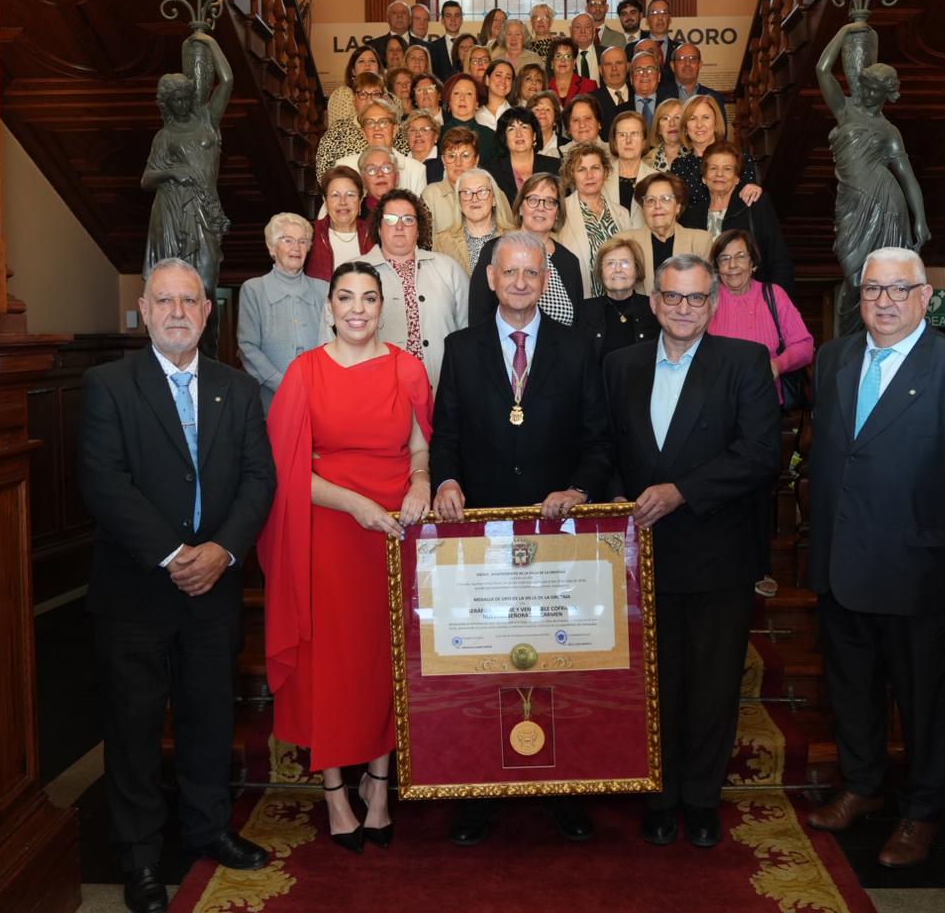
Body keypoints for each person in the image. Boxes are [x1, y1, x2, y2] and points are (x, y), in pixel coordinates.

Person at [805, 247, 945, 868]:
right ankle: (863, 786)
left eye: (900, 289)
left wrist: (935, 531)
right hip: (840, 562)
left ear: (925, 297)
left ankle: (923, 811)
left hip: (915, 568)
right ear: (859, 297)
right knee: (851, 687)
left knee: (924, 698)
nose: (885, 301)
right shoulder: (834, 358)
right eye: (873, 289)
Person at [82, 258, 277, 912]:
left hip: (214, 587)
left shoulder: (237, 388)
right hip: (135, 589)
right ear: (143, 310)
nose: (177, 312)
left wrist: (222, 551)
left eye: (189, 301)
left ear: (207, 311)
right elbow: (105, 483)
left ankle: (207, 829)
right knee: (134, 725)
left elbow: (259, 479)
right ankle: (139, 856)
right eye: (164, 301)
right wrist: (173, 555)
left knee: (209, 715)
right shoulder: (108, 385)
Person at [430, 230, 613, 847]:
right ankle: (480, 789)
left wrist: (580, 491)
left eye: (531, 273)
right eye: (509, 272)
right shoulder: (460, 349)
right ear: (490, 277)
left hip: (556, 542)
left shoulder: (576, 347)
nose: (519, 282)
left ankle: (563, 788)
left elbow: (598, 442)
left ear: (545, 280)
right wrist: (447, 479)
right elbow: (445, 435)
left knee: (556, 667)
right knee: (483, 669)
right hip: (480, 543)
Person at [602, 254, 779, 849]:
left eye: (696, 298)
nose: (684, 308)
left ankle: (701, 799)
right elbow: (604, 446)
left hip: (717, 554)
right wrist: (610, 494)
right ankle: (658, 795)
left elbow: (759, 453)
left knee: (711, 685)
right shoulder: (620, 365)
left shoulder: (745, 361)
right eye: (673, 297)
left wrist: (681, 491)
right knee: (654, 682)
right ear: (654, 302)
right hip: (641, 555)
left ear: (713, 303)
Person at [260, 261, 433, 853]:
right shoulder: (304, 373)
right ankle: (335, 791)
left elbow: (420, 448)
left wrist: (420, 481)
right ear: (329, 307)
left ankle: (378, 786)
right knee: (331, 662)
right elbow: (286, 471)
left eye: (369, 298)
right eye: (346, 298)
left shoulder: (407, 368)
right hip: (330, 530)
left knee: (384, 657)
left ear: (382, 306)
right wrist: (356, 504)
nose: (358, 308)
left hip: (394, 532)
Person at [708, 229, 814, 597]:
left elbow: (804, 345)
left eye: (740, 257)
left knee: (756, 488)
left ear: (753, 262)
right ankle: (720, 563)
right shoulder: (707, 298)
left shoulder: (773, 295)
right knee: (717, 485)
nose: (732, 265)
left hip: (761, 410)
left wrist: (777, 365)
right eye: (724, 259)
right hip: (716, 410)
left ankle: (758, 567)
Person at [816, 21, 932, 337]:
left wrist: (920, 219)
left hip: (886, 203)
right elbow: (822, 70)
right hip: (851, 204)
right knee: (853, 276)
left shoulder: (888, 131)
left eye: (874, 90)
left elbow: (907, 177)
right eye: (865, 87)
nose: (866, 94)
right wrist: (844, 31)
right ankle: (847, 342)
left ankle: (883, 336)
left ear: (886, 94)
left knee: (884, 276)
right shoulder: (844, 111)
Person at [142, 32, 234, 361]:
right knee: (168, 286)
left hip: (203, 210)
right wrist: (173, 172)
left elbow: (227, 80)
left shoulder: (207, 119)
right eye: (175, 100)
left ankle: (207, 361)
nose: (181, 104)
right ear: (167, 103)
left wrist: (210, 42)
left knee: (205, 285)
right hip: (170, 212)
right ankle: (168, 359)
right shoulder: (164, 135)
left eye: (185, 98)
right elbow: (146, 179)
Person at [348, 189, 469, 389]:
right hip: (375, 392)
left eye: (408, 219)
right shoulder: (353, 272)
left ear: (419, 229)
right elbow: (333, 339)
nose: (399, 226)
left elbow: (467, 333)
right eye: (390, 219)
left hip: (442, 388)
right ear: (379, 228)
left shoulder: (449, 269)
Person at [467, 172, 583, 326]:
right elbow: (478, 315)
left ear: (557, 213)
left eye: (549, 202)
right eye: (533, 200)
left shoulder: (569, 262)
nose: (541, 208)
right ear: (520, 208)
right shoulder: (495, 249)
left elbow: (577, 327)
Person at [238, 214, 328, 412]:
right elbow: (247, 348)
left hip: (319, 397)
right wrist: (283, 385)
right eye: (287, 240)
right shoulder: (254, 289)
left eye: (302, 241)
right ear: (271, 247)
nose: (296, 247)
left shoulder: (323, 290)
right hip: (272, 401)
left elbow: (332, 344)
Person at [685, 140, 795, 294]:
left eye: (727, 169)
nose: (719, 174)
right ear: (704, 177)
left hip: (751, 298)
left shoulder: (755, 205)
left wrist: (778, 299)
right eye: (713, 168)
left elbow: (778, 258)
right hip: (705, 299)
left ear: (737, 178)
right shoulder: (690, 215)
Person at [557, 143, 636, 293]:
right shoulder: (561, 211)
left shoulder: (623, 214)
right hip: (581, 298)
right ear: (572, 175)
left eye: (595, 168)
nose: (589, 176)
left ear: (605, 172)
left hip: (619, 297)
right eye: (581, 170)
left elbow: (632, 260)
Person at [670, 94, 763, 206]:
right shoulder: (679, 166)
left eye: (705, 117)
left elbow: (750, 199)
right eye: (692, 118)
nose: (699, 125)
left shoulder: (740, 158)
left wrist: (754, 189)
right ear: (685, 127)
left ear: (715, 123)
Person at [623, 174, 710, 294]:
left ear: (678, 207)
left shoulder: (700, 241)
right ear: (643, 208)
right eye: (651, 200)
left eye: (665, 199)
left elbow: (706, 291)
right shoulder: (626, 242)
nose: (657, 206)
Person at [578, 235, 659, 358]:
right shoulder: (584, 311)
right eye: (610, 263)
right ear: (601, 271)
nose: (618, 269)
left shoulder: (653, 309)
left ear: (637, 269)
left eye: (625, 263)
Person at [432, 167, 516, 274]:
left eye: (482, 191)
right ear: (459, 202)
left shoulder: (515, 238)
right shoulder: (443, 242)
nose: (474, 199)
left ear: (494, 199)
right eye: (467, 192)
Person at [335, 99, 427, 193]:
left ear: (395, 130)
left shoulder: (416, 170)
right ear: (363, 133)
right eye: (370, 123)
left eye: (383, 122)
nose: (377, 128)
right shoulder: (345, 167)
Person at [314, 71, 386, 185]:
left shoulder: (393, 128)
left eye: (375, 94)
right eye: (363, 94)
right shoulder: (337, 130)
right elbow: (323, 171)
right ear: (354, 99)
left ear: (383, 98)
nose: (369, 100)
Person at [482, 105, 561, 204]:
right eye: (511, 129)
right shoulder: (491, 171)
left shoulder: (556, 167)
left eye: (524, 127)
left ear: (534, 136)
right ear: (505, 138)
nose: (518, 134)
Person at [306, 166, 374, 280]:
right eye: (335, 195)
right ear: (325, 201)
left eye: (350, 195)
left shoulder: (375, 234)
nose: (343, 202)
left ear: (360, 200)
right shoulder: (310, 234)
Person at [421, 126, 480, 234]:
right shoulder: (431, 195)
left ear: (476, 160)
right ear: (443, 160)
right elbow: (424, 239)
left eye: (465, 156)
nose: (458, 163)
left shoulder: (493, 193)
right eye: (451, 156)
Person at [440, 72, 499, 161]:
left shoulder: (489, 136)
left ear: (477, 104)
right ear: (449, 102)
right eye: (456, 93)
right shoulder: (438, 134)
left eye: (469, 94)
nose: (462, 98)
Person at [609, 110, 657, 217]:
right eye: (622, 135)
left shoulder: (656, 179)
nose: (628, 141)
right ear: (614, 142)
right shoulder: (600, 177)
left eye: (634, 134)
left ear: (644, 142)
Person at [327, 45, 384, 127]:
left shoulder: (390, 97)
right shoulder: (343, 94)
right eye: (361, 61)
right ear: (353, 71)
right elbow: (339, 129)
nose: (367, 64)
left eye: (372, 61)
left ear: (379, 69)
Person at [592, 46, 635, 140]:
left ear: (628, 66)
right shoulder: (591, 101)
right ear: (600, 70)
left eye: (619, 63)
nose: (614, 68)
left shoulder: (639, 94)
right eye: (608, 64)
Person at [546, 36, 597, 102]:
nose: (563, 60)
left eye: (568, 56)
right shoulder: (544, 88)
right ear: (552, 63)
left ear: (574, 62)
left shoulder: (589, 86)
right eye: (558, 56)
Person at [628, 50, 664, 130]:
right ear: (631, 79)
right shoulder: (618, 113)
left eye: (650, 70)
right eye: (639, 70)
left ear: (659, 76)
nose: (645, 74)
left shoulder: (670, 109)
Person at [476, 59, 517, 130]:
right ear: (487, 80)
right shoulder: (476, 115)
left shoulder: (518, 115)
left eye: (508, 78)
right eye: (498, 75)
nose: (503, 81)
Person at [430, 0, 465, 80]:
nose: (453, 20)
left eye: (457, 15)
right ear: (442, 20)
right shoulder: (433, 48)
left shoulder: (470, 45)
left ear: (461, 20)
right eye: (448, 16)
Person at [648, 98, 686, 171]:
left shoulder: (697, 154)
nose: (672, 123)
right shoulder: (647, 160)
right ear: (658, 128)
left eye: (677, 117)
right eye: (665, 118)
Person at [403, 109, 441, 179]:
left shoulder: (445, 163)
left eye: (424, 130)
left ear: (435, 136)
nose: (418, 135)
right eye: (412, 130)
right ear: (406, 137)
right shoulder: (400, 165)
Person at [568, 12, 603, 83]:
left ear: (594, 30)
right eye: (578, 27)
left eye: (587, 27)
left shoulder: (605, 53)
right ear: (571, 30)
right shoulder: (564, 56)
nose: (583, 31)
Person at [526, 91, 563, 157]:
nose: (542, 112)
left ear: (555, 119)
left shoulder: (568, 148)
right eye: (537, 109)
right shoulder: (521, 145)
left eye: (547, 109)